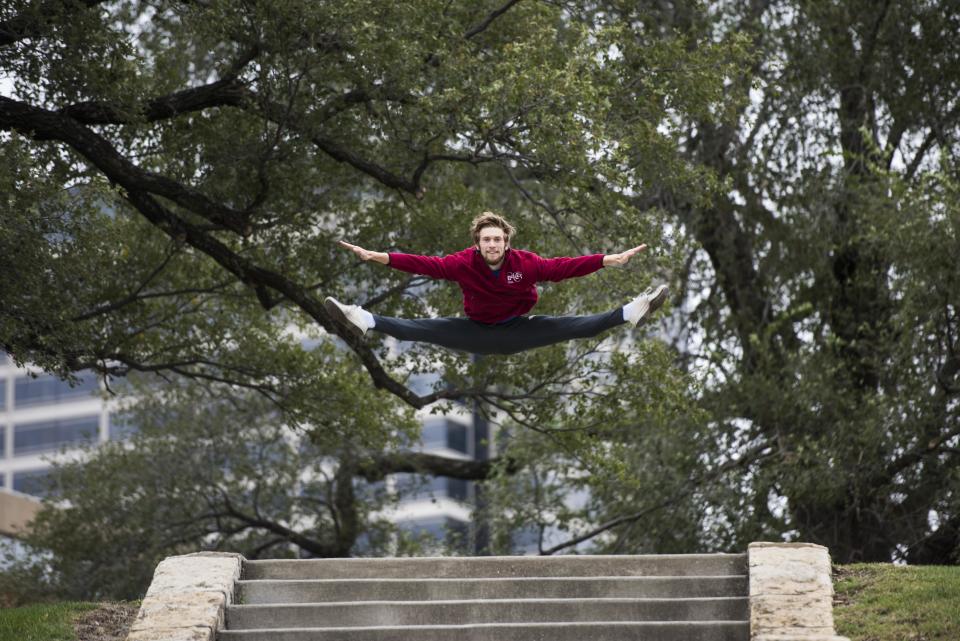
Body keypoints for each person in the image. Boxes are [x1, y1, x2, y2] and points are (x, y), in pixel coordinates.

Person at [325, 211, 668, 355]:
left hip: (518, 329)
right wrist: (377, 256)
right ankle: (361, 318)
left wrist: (607, 260)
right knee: (419, 328)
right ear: (478, 243)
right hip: (475, 330)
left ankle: (632, 311)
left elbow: (562, 267)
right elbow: (424, 265)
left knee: (576, 326)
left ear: (506, 242)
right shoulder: (463, 263)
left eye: (497, 240)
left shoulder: (525, 264)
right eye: (485, 240)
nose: (491, 245)